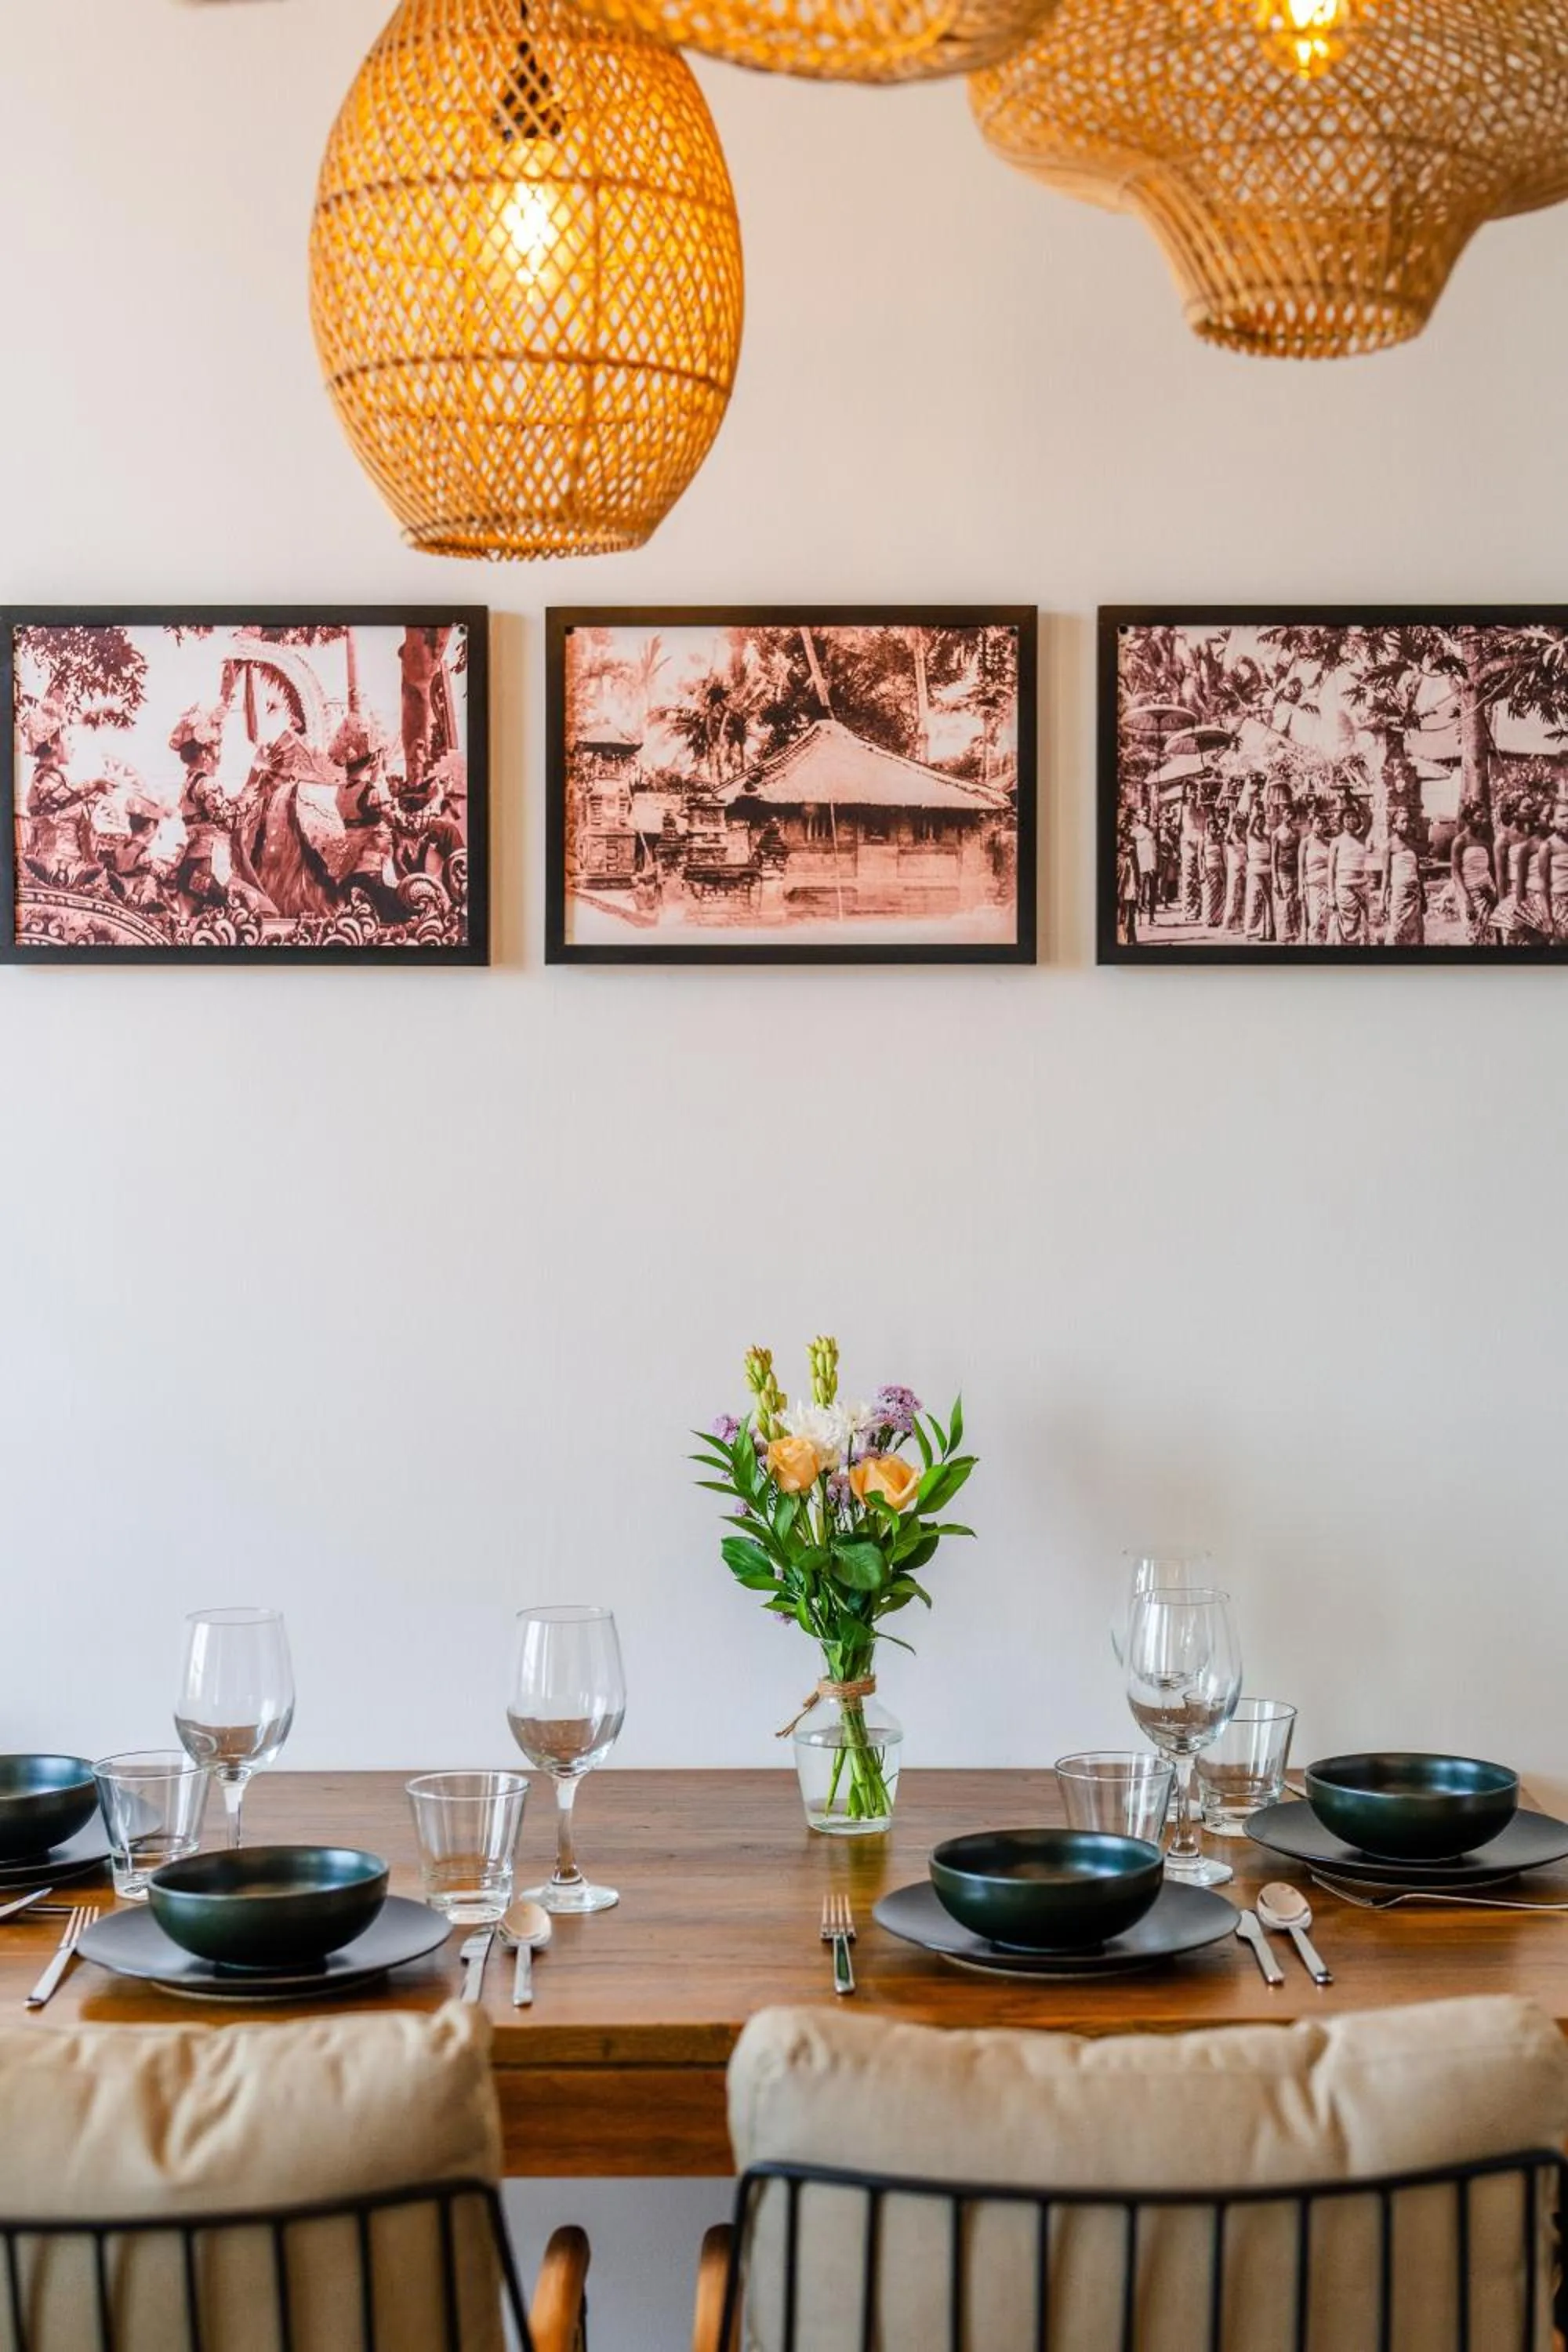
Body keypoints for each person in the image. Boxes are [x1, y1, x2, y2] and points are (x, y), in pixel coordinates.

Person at [1450, 800, 1497, 946]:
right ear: (1469, 818)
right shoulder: (1460, 841)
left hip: (1487, 894)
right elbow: (1455, 872)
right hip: (1470, 895)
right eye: (1479, 816)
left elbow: (1489, 870)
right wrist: (1467, 901)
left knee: (1489, 937)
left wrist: (1494, 894)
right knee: (1473, 936)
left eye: (1485, 817)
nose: (1484, 821)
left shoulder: (1485, 843)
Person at [1329, 800, 1370, 945]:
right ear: (1342, 821)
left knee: (1362, 924)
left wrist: (1355, 799)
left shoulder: (1363, 838)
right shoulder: (1336, 841)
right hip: (1343, 889)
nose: (1351, 820)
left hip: (1361, 887)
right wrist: (1331, 894)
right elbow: (1331, 870)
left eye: (1353, 816)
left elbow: (1369, 817)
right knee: (1343, 927)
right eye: (1347, 817)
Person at [1384, 810, 1424, 946]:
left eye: (1408, 821)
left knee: (1414, 933)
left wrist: (1423, 896)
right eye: (1402, 821)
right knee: (1396, 930)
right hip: (1399, 895)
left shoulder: (1413, 845)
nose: (1406, 825)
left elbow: (1418, 871)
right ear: (1394, 825)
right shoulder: (1389, 845)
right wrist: (1382, 899)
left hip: (1415, 894)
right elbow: (1386, 873)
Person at [1300, 806, 1332, 946]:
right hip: (1313, 885)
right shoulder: (1306, 842)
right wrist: (1300, 887)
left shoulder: (1329, 843)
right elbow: (1301, 866)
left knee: (1327, 918)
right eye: (1318, 822)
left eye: (1323, 823)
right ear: (1312, 823)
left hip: (1328, 885)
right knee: (1315, 918)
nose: (1321, 825)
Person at [1270, 797, 1301, 944]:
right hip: (1283, 870)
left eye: (1292, 814)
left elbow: (1299, 853)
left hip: (1295, 869)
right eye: (1287, 813)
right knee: (1284, 902)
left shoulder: (1296, 832)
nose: (1289, 816)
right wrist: (1275, 878)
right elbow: (1273, 856)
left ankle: (1295, 932)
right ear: (1283, 814)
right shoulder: (1276, 833)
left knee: (1294, 902)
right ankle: (1284, 934)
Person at [1243, 804, 1274, 942]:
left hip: (1267, 869)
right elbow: (1250, 828)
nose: (1261, 822)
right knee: (1255, 898)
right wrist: (1256, 811)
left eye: (1263, 820)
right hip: (1255, 869)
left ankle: (1265, 931)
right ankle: (1252, 930)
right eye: (1258, 820)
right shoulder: (1250, 835)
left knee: (1267, 899)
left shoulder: (1267, 837)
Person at [1130, 808, 1159, 924]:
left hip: (1152, 863)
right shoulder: (1135, 832)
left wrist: (1156, 864)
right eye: (1143, 816)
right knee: (1140, 891)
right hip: (1141, 864)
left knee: (1152, 891)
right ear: (1139, 818)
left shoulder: (1153, 831)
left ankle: (1151, 917)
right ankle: (1139, 916)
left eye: (1146, 815)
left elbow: (1156, 847)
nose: (1145, 817)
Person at [1222, 807, 1246, 932]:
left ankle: (1239, 924)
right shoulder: (1231, 837)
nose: (1239, 827)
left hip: (1243, 869)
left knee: (1241, 897)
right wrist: (1231, 821)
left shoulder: (1242, 837)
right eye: (1237, 824)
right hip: (1234, 869)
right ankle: (1228, 923)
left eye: (1240, 824)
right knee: (1233, 896)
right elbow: (1226, 839)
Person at [1201, 810, 1226, 928]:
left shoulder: (1219, 840)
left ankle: (1216, 919)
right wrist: (1201, 871)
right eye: (1212, 828)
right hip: (1208, 869)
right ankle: (1207, 919)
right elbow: (1200, 856)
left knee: (1218, 895)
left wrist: (1223, 871)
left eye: (1215, 827)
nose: (1214, 830)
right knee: (1208, 894)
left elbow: (1222, 855)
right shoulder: (1203, 840)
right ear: (1208, 828)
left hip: (1218, 868)